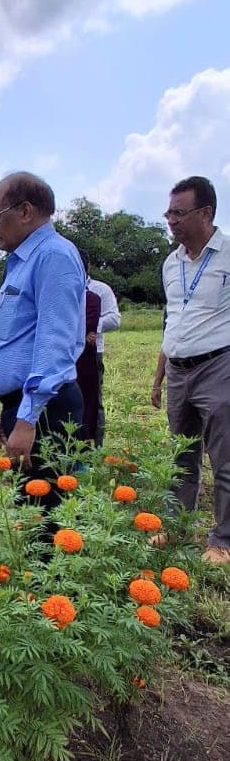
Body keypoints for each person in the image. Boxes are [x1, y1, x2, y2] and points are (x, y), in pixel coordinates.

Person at [0, 172, 85, 497]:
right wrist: (12, 409)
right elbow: (21, 340)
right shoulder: (24, 260)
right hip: (29, 406)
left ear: (25, 212)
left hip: (46, 410)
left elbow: (54, 345)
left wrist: (26, 419)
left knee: (45, 513)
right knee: (31, 508)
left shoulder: (53, 256)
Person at [152, 176, 230, 566]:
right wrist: (159, 373)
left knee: (224, 457)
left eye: (179, 213)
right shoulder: (171, 263)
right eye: (168, 213)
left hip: (219, 366)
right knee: (182, 454)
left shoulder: (229, 253)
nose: (171, 221)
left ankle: (223, 540)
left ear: (206, 213)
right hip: (179, 372)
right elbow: (172, 322)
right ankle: (178, 525)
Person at [86, 269, 121, 446]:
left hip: (92, 350)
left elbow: (114, 320)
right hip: (65, 352)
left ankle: (96, 447)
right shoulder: (62, 286)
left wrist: (90, 326)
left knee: (93, 400)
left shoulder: (100, 289)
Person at [75, 250, 101, 443]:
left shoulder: (92, 298)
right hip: (58, 363)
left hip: (83, 363)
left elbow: (87, 328)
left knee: (85, 412)